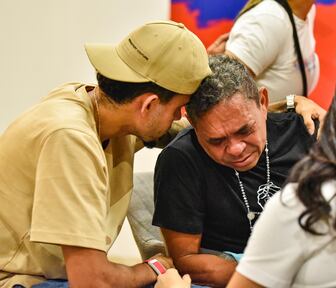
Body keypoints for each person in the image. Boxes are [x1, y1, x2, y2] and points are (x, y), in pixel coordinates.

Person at [0, 20, 212, 288]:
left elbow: (198, 128)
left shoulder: (102, 108)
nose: (179, 117)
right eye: (179, 108)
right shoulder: (70, 138)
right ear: (149, 105)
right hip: (21, 280)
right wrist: (155, 267)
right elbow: (92, 281)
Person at [154, 57, 336, 288]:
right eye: (216, 140)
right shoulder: (181, 159)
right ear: (192, 122)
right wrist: (265, 275)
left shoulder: (306, 131)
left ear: (263, 102)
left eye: (245, 130)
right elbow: (186, 261)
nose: (235, 149)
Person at [207, 0, 319, 103]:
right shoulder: (268, 20)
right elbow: (218, 100)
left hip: (281, 123)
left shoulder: (307, 11)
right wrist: (293, 105)